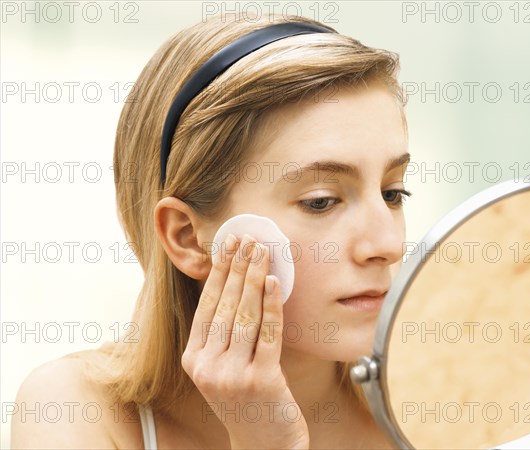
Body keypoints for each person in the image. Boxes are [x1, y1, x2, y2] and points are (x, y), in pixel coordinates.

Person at [11, 12, 410, 449]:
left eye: (393, 194)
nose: (387, 245)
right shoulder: (75, 411)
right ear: (187, 237)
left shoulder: (443, 406)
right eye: (320, 201)